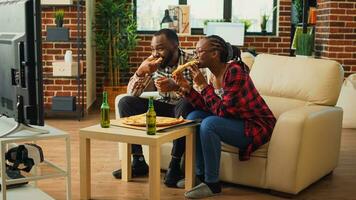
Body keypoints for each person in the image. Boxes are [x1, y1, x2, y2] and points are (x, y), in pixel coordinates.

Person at [173, 35, 276, 199]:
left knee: (209, 124)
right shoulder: (212, 75)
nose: (195, 56)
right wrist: (187, 89)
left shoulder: (235, 72)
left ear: (214, 54)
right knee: (193, 116)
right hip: (234, 120)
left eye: (199, 51)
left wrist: (203, 86)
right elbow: (208, 106)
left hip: (254, 125)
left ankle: (212, 184)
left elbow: (222, 111)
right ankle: (200, 175)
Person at [113, 29, 195, 188]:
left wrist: (177, 86)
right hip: (164, 107)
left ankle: (175, 164)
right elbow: (132, 93)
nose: (156, 53)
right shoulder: (153, 63)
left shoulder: (191, 61)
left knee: (185, 105)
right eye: (153, 49)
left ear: (175, 45)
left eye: (161, 48)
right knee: (125, 102)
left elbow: (202, 93)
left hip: (184, 106)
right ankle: (138, 161)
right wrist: (141, 72)